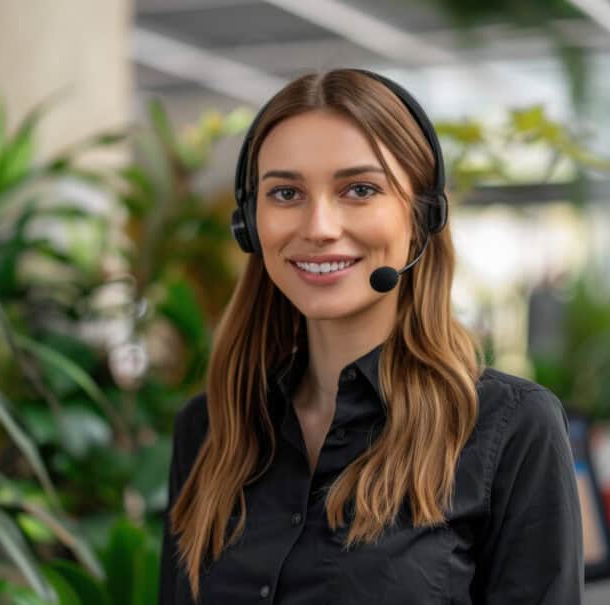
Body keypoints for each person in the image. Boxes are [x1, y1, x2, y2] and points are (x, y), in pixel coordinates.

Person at [158, 68, 583, 604]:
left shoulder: (511, 428)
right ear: (250, 223)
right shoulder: (209, 429)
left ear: (420, 217)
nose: (318, 226)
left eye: (360, 189)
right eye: (286, 192)